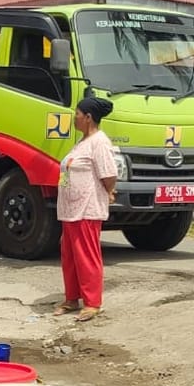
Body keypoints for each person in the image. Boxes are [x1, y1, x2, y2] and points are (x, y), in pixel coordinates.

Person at [53, 97, 118, 323]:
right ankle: (72, 297)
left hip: (87, 209)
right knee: (69, 255)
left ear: (88, 118)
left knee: (86, 255)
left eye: (77, 114)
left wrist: (108, 192)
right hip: (70, 210)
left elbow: (109, 175)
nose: (74, 118)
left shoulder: (99, 142)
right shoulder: (81, 143)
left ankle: (92, 303)